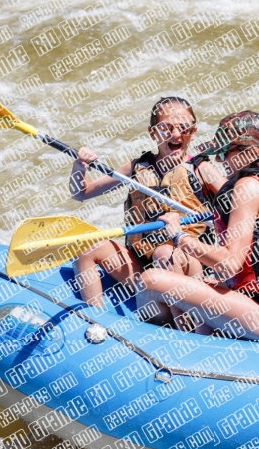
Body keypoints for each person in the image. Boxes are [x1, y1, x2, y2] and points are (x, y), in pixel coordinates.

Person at [138, 111, 259, 341]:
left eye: (225, 152)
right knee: (206, 289)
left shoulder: (246, 188)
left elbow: (229, 264)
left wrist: (179, 237)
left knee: (150, 280)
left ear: (250, 153)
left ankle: (154, 347)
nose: (220, 160)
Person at [68, 97, 225, 308]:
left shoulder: (201, 169)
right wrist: (79, 168)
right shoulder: (135, 168)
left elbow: (238, 205)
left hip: (190, 271)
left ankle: (186, 323)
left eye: (184, 128)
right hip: (143, 268)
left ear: (193, 132)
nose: (176, 134)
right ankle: (96, 321)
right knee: (87, 246)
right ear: (153, 133)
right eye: (165, 128)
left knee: (164, 253)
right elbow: (81, 193)